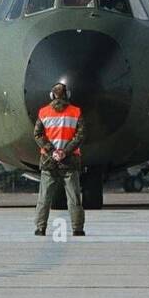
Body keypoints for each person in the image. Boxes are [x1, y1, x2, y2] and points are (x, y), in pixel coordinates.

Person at [33, 82, 85, 237]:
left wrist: (52, 151)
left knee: (44, 198)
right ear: (67, 94)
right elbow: (80, 136)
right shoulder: (76, 112)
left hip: (49, 161)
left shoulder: (43, 113)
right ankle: (77, 229)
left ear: (52, 95)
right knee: (74, 198)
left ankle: (40, 228)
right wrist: (65, 152)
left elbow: (37, 135)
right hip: (70, 161)